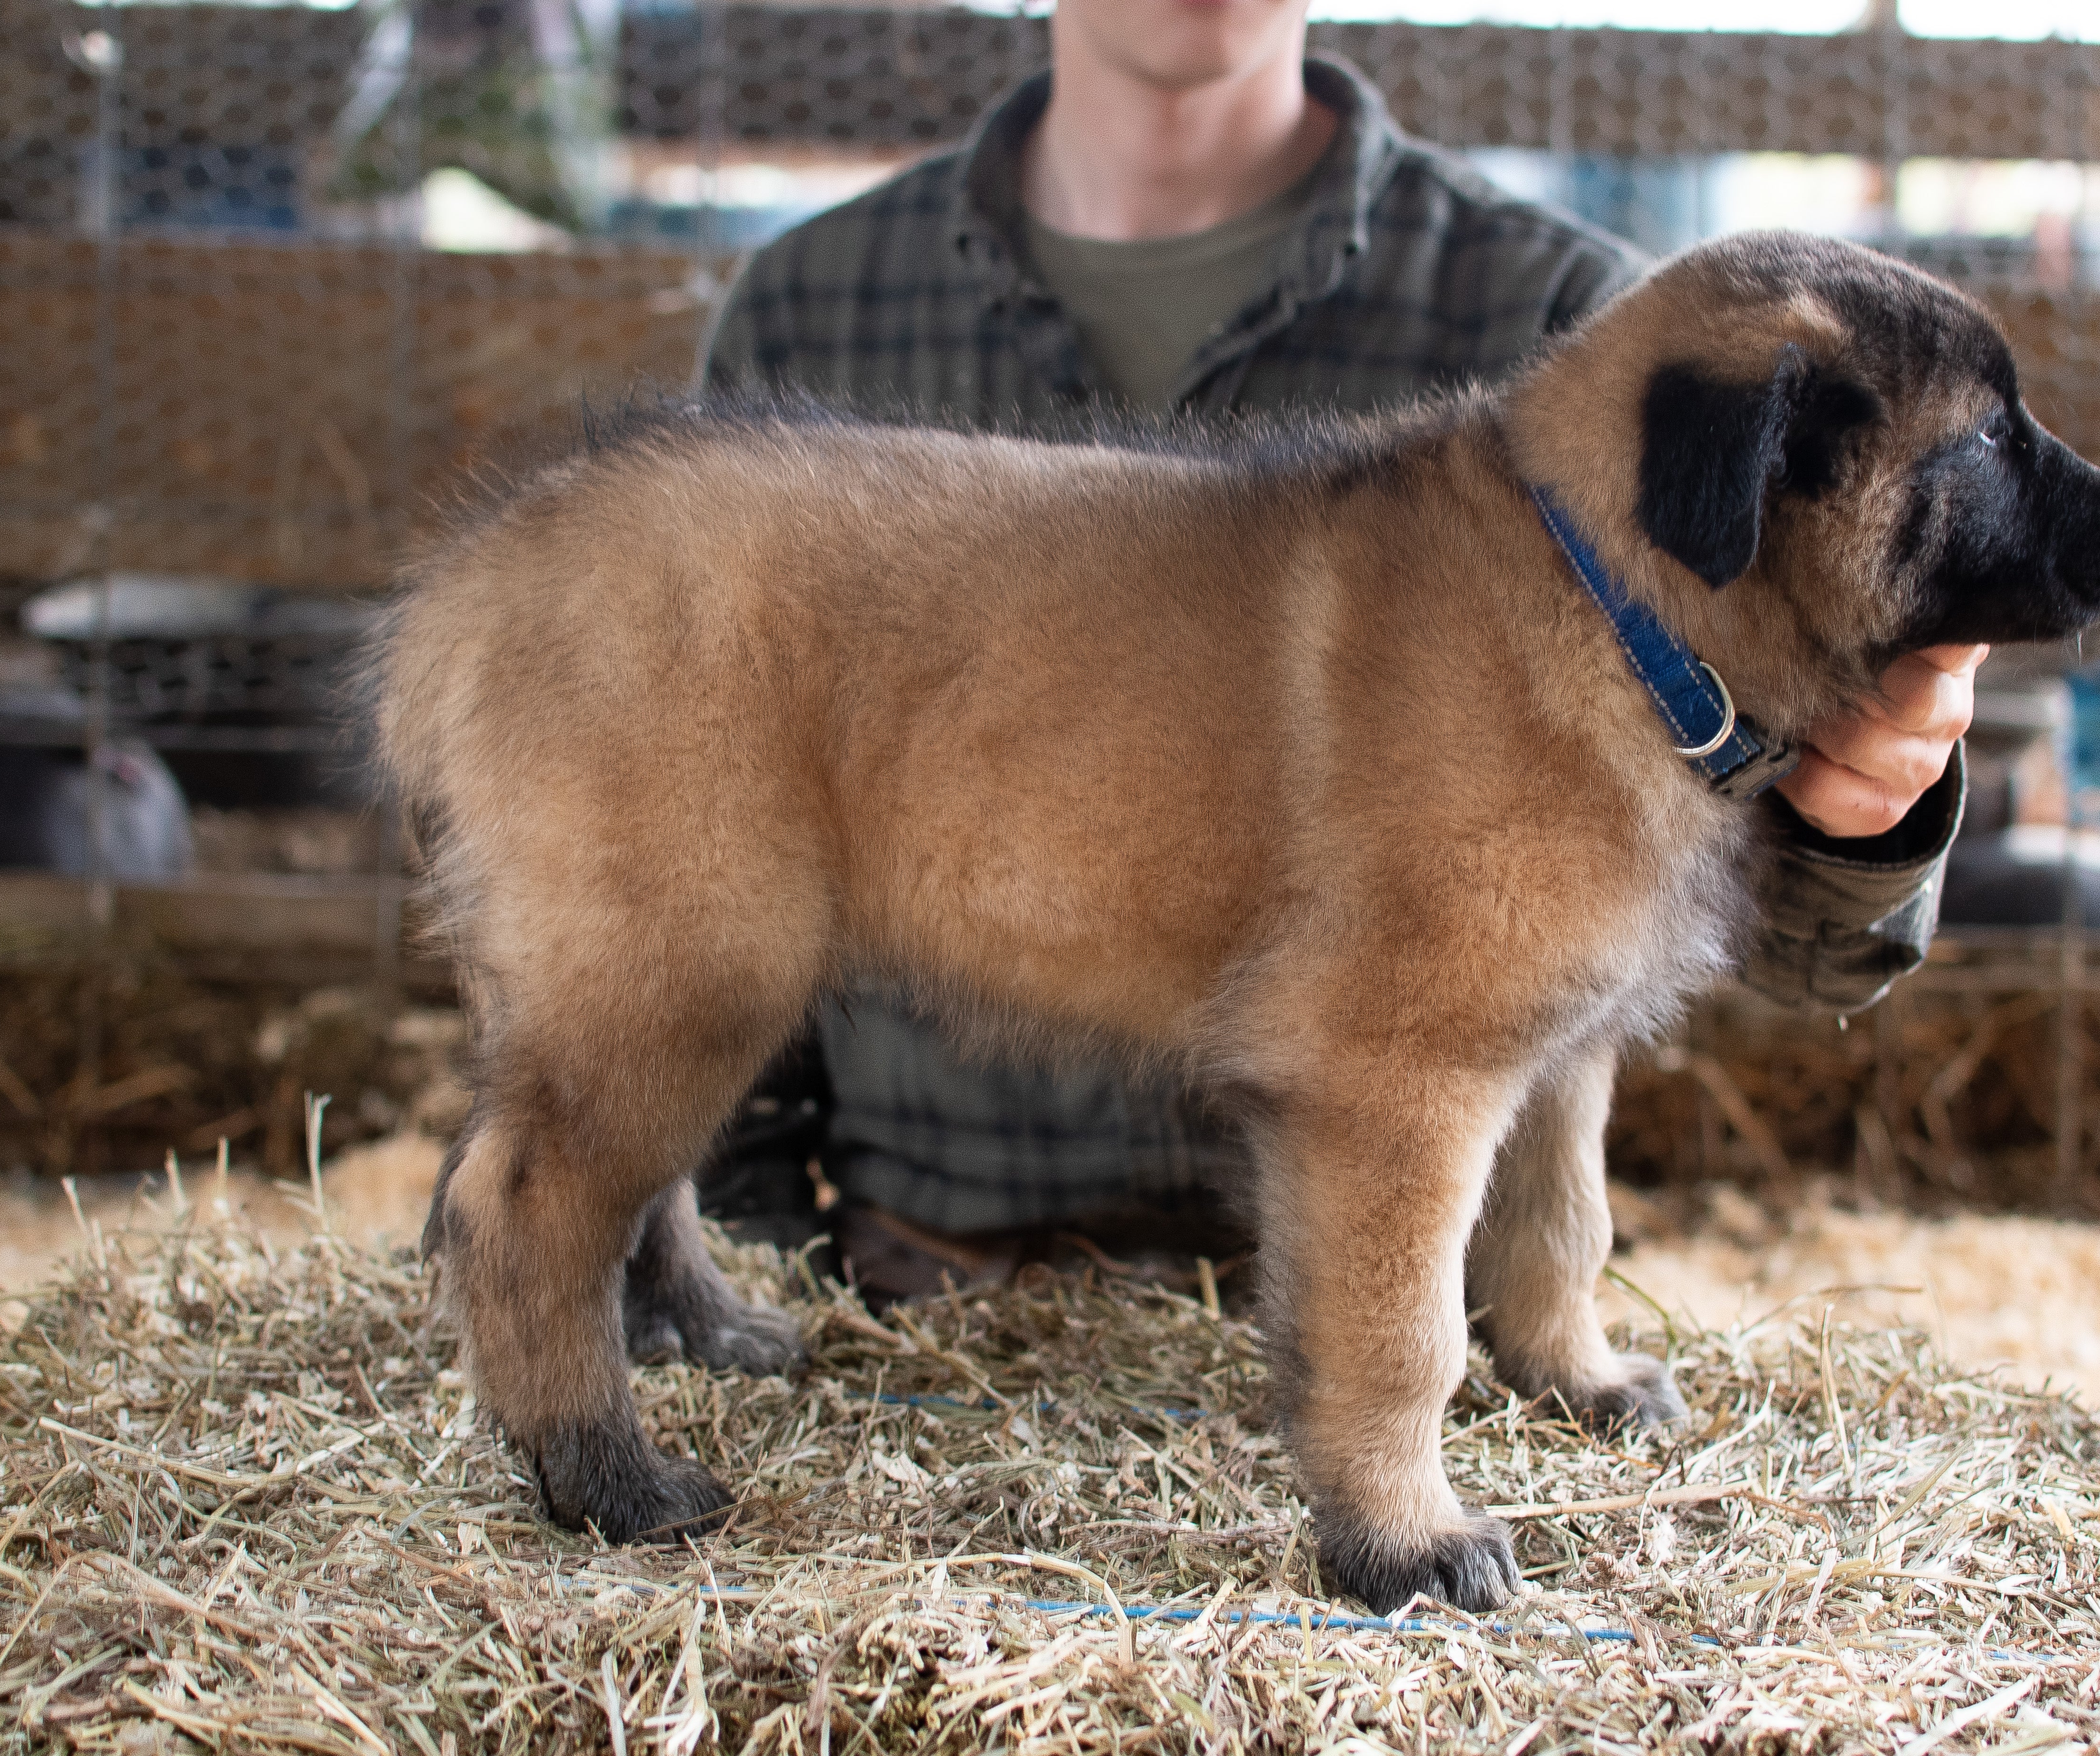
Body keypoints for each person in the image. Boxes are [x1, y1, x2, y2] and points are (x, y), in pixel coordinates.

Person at [695, 0, 1981, 1294]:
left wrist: (1860, 813)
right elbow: (710, 850)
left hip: (1403, 1306)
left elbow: (1788, 943)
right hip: (936, 1283)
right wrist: (747, 1267)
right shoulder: (813, 317)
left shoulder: (1574, 335)